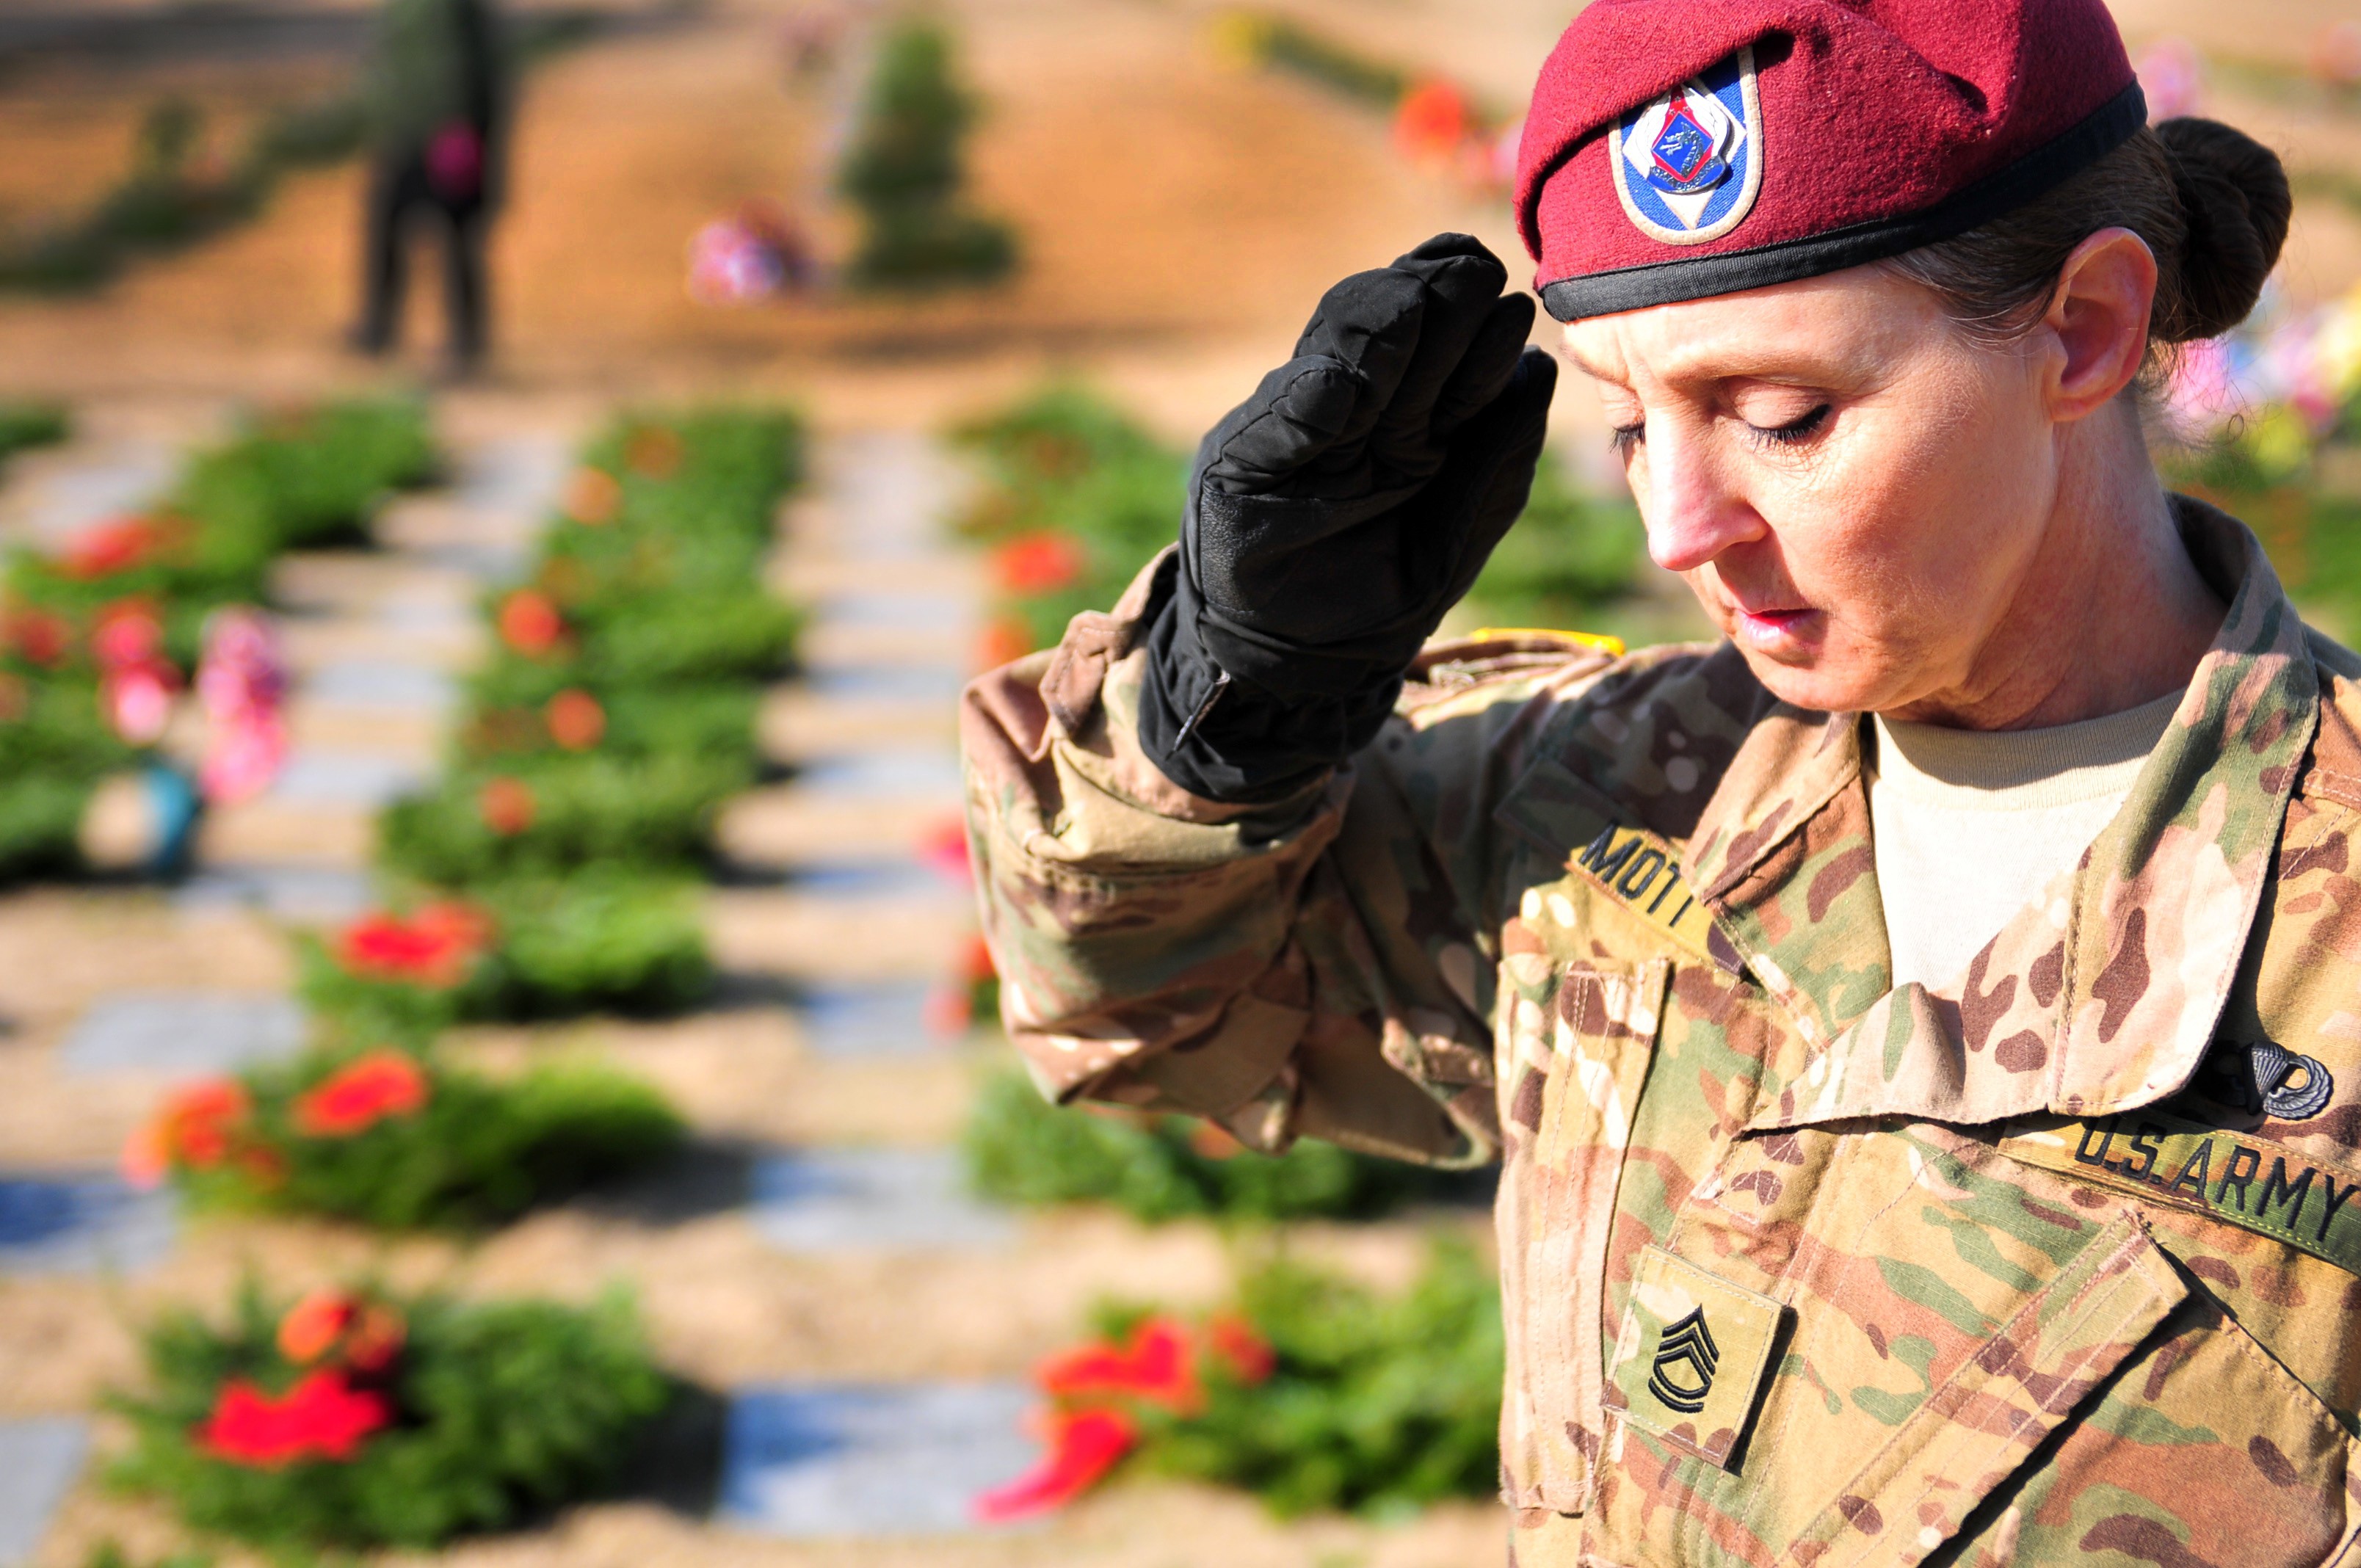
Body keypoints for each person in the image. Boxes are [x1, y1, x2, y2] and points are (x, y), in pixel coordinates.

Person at [961, 0, 2361, 1559]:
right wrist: (1224, 717)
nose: (1676, 529)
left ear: (2086, 330)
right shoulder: (1623, 792)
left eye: (1781, 416)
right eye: (1632, 425)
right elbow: (1141, 1012)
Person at [353, 0, 507, 374]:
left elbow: (471, 69)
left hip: (447, 136)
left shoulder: (456, 10)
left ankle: (466, 338)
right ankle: (380, 326)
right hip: (408, 133)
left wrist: (467, 128)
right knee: (388, 226)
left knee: (457, 233)